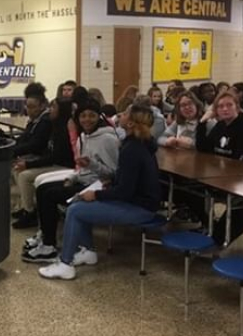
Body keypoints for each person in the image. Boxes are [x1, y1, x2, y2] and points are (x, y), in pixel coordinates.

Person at [39, 105, 161, 279]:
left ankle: (65, 264)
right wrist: (109, 182)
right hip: (137, 201)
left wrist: (96, 194)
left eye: (125, 113)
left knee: (75, 210)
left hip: (141, 208)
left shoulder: (133, 149)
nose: (120, 115)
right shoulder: (137, 144)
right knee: (81, 203)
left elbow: (125, 191)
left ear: (131, 123)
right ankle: (88, 251)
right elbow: (129, 181)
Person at [22, 98, 119, 261]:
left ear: (99, 117)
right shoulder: (83, 136)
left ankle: (49, 245)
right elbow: (81, 169)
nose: (87, 119)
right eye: (83, 116)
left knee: (50, 195)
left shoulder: (108, 139)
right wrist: (72, 177)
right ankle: (46, 239)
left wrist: (93, 165)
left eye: (92, 116)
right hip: (82, 180)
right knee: (42, 189)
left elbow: (113, 174)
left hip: (97, 186)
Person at [196, 91, 243, 245]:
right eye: (220, 106)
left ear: (237, 107)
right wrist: (202, 123)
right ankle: (209, 227)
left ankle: (217, 240)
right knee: (192, 189)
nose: (225, 109)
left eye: (229, 105)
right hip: (220, 177)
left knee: (242, 208)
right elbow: (204, 148)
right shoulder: (220, 125)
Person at [12, 98, 75, 229]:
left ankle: (30, 213)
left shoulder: (63, 129)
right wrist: (29, 161)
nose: (49, 110)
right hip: (54, 162)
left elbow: (54, 157)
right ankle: (26, 207)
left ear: (61, 110)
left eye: (53, 107)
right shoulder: (54, 125)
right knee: (18, 169)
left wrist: (29, 164)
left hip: (64, 166)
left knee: (24, 175)